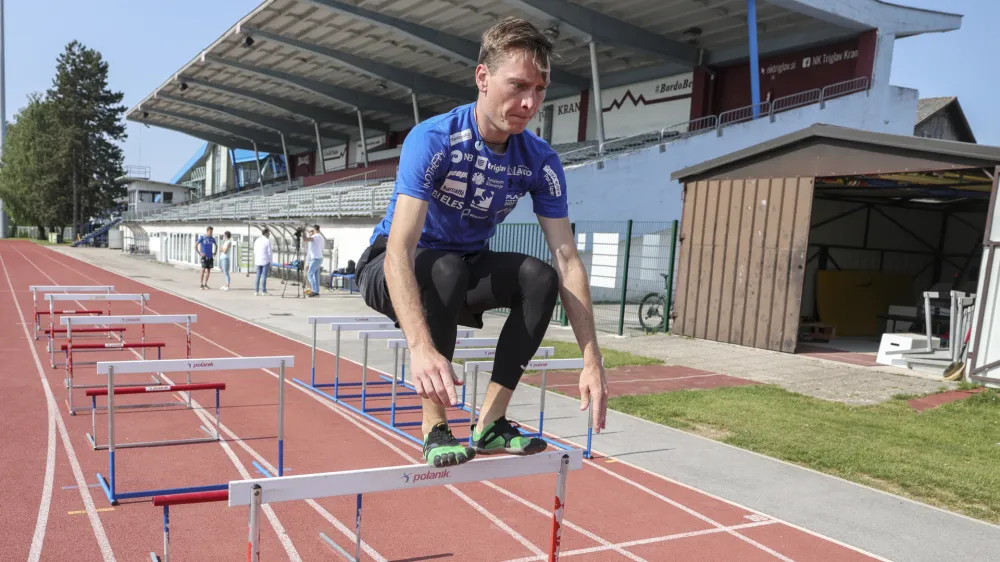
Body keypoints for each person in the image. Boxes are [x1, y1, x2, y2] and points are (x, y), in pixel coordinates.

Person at [354, 17, 608, 468]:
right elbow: (399, 250)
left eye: (540, 89)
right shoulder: (434, 140)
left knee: (540, 277)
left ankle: (490, 424)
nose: (529, 103)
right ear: (483, 78)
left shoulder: (539, 161)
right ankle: (434, 427)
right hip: (388, 268)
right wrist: (420, 347)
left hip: (461, 266)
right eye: (517, 86)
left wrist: (592, 360)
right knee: (446, 267)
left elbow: (568, 260)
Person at [304, 224, 326, 297]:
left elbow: (306, 239)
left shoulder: (315, 236)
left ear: (314, 230)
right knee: (316, 275)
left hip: (315, 258)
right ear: (319, 229)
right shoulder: (321, 237)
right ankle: (316, 291)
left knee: (309, 274)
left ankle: (313, 290)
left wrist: (303, 232)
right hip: (320, 258)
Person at [254, 228, 273, 296]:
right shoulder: (267, 241)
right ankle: (264, 291)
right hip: (265, 260)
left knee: (258, 276)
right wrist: (271, 262)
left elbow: (255, 251)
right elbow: (269, 253)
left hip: (258, 260)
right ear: (266, 233)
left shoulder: (257, 240)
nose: (269, 234)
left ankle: (256, 291)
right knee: (264, 277)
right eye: (268, 233)